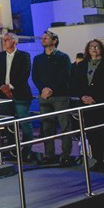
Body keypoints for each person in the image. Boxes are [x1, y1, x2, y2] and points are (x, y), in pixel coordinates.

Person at [70, 39, 104, 171]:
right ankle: (98, 160)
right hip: (87, 106)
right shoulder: (82, 65)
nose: (94, 49)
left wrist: (95, 98)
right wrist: (83, 96)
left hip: (103, 105)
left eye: (97, 46)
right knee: (93, 134)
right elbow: (76, 83)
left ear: (101, 49)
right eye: (91, 46)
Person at [0, 32, 35, 162]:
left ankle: (26, 152)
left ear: (15, 41)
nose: (4, 41)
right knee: (8, 124)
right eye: (4, 39)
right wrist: (3, 87)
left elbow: (24, 74)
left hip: (20, 94)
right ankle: (12, 151)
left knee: (25, 123)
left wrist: (10, 86)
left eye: (7, 39)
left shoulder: (24, 56)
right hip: (3, 95)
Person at [32, 31, 72, 166]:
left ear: (54, 41)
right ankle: (49, 154)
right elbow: (35, 76)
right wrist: (42, 89)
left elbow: (65, 75)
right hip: (44, 97)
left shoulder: (63, 57)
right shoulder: (38, 58)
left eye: (46, 38)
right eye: (42, 38)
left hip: (60, 96)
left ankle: (66, 155)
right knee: (47, 127)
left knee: (64, 126)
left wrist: (51, 89)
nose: (43, 39)